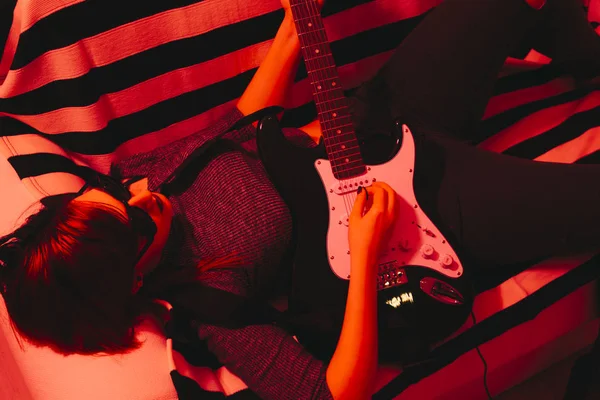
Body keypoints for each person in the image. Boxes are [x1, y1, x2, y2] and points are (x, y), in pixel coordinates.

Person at [1, 0, 600, 399]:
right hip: (422, 202)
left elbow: (238, 124)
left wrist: (294, 28)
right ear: (132, 281)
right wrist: (365, 258)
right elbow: (333, 392)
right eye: (134, 217)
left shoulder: (135, 181)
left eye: (108, 195)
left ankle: (580, 51)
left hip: (378, 115)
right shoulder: (212, 306)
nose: (138, 192)